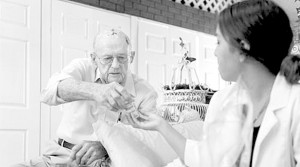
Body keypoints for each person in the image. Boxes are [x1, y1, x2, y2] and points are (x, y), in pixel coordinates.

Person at [128, 0, 300, 166]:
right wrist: (161, 125)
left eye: (219, 42)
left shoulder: (295, 104)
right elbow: (206, 159)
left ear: (243, 48)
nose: (215, 52)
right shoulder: (226, 101)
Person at [13, 29, 158, 167]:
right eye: (107, 58)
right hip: (62, 156)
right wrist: (97, 91)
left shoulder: (145, 93)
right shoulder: (82, 67)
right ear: (94, 59)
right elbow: (49, 93)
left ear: (131, 57)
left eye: (122, 58)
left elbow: (148, 142)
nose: (115, 65)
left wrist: (106, 146)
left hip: (109, 161)